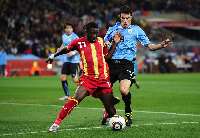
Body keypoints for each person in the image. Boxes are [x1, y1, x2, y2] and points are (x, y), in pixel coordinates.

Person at [46, 22, 123, 132]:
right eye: (92, 33)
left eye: (96, 33)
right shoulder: (79, 42)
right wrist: (52, 56)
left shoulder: (101, 41)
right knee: (75, 100)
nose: (94, 36)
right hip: (88, 79)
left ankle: (105, 113)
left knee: (111, 112)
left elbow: (107, 57)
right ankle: (56, 123)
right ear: (86, 32)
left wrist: (115, 43)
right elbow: (66, 49)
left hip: (103, 79)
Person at [103, 5, 172, 126]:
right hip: (111, 64)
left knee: (124, 90)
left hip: (127, 64)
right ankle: (108, 110)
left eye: (127, 18)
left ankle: (128, 111)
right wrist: (106, 43)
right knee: (103, 91)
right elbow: (103, 43)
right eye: (123, 18)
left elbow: (149, 46)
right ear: (120, 17)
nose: (125, 21)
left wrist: (161, 45)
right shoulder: (112, 29)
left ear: (131, 17)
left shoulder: (137, 30)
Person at [57, 23, 80, 101]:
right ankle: (67, 96)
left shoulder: (75, 37)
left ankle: (86, 89)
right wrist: (60, 49)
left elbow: (79, 48)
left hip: (74, 61)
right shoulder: (64, 36)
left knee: (75, 80)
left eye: (70, 28)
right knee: (63, 78)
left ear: (72, 29)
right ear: (65, 29)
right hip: (67, 60)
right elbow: (64, 45)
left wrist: (73, 53)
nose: (69, 29)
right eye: (67, 28)